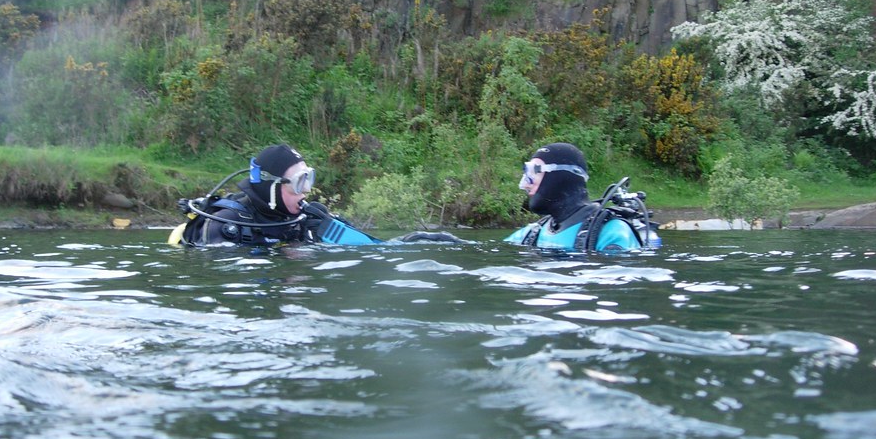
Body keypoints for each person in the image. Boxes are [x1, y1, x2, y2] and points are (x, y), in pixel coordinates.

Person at [168, 144, 460, 247]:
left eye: (309, 180)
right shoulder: (226, 224)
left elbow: (370, 248)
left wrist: (408, 242)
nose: (306, 191)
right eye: (298, 182)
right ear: (271, 185)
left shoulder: (303, 217)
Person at [504, 142, 659, 253]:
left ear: (561, 177)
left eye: (534, 173)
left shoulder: (612, 233)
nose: (525, 184)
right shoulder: (532, 233)